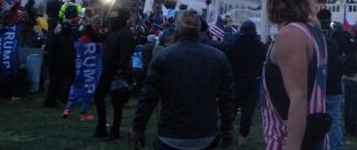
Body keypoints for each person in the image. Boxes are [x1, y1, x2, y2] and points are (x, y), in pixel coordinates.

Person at [130, 10, 235, 150]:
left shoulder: (163, 57)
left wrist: (138, 128)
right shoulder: (218, 58)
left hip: (171, 133)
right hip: (204, 134)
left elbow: (148, 96)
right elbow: (226, 99)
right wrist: (227, 130)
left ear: (178, 30)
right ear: (199, 29)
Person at [259, 0, 328, 150]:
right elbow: (312, 13)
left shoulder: (290, 35)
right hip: (315, 137)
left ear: (275, 2)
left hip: (287, 139)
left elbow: (298, 99)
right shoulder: (313, 29)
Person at [224, 20, 266, 147]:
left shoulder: (234, 44)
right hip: (252, 82)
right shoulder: (261, 46)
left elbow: (227, 61)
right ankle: (243, 137)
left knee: (231, 109)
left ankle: (227, 134)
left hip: (235, 81)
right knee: (248, 111)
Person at [94, 9, 134, 139]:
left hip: (117, 71)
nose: (112, 18)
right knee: (98, 97)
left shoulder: (125, 32)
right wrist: (89, 27)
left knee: (117, 103)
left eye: (114, 16)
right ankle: (101, 127)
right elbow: (97, 37)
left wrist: (120, 71)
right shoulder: (112, 32)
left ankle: (115, 130)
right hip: (108, 70)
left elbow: (125, 53)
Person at [316, 9, 344, 150]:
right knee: (334, 119)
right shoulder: (337, 35)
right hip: (335, 85)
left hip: (319, 84)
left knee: (316, 119)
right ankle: (336, 146)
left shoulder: (314, 36)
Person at [44, 21, 76, 108]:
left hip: (61, 64)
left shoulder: (62, 37)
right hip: (58, 64)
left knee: (56, 84)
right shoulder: (62, 38)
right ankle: (52, 101)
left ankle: (53, 100)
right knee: (56, 84)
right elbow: (51, 51)